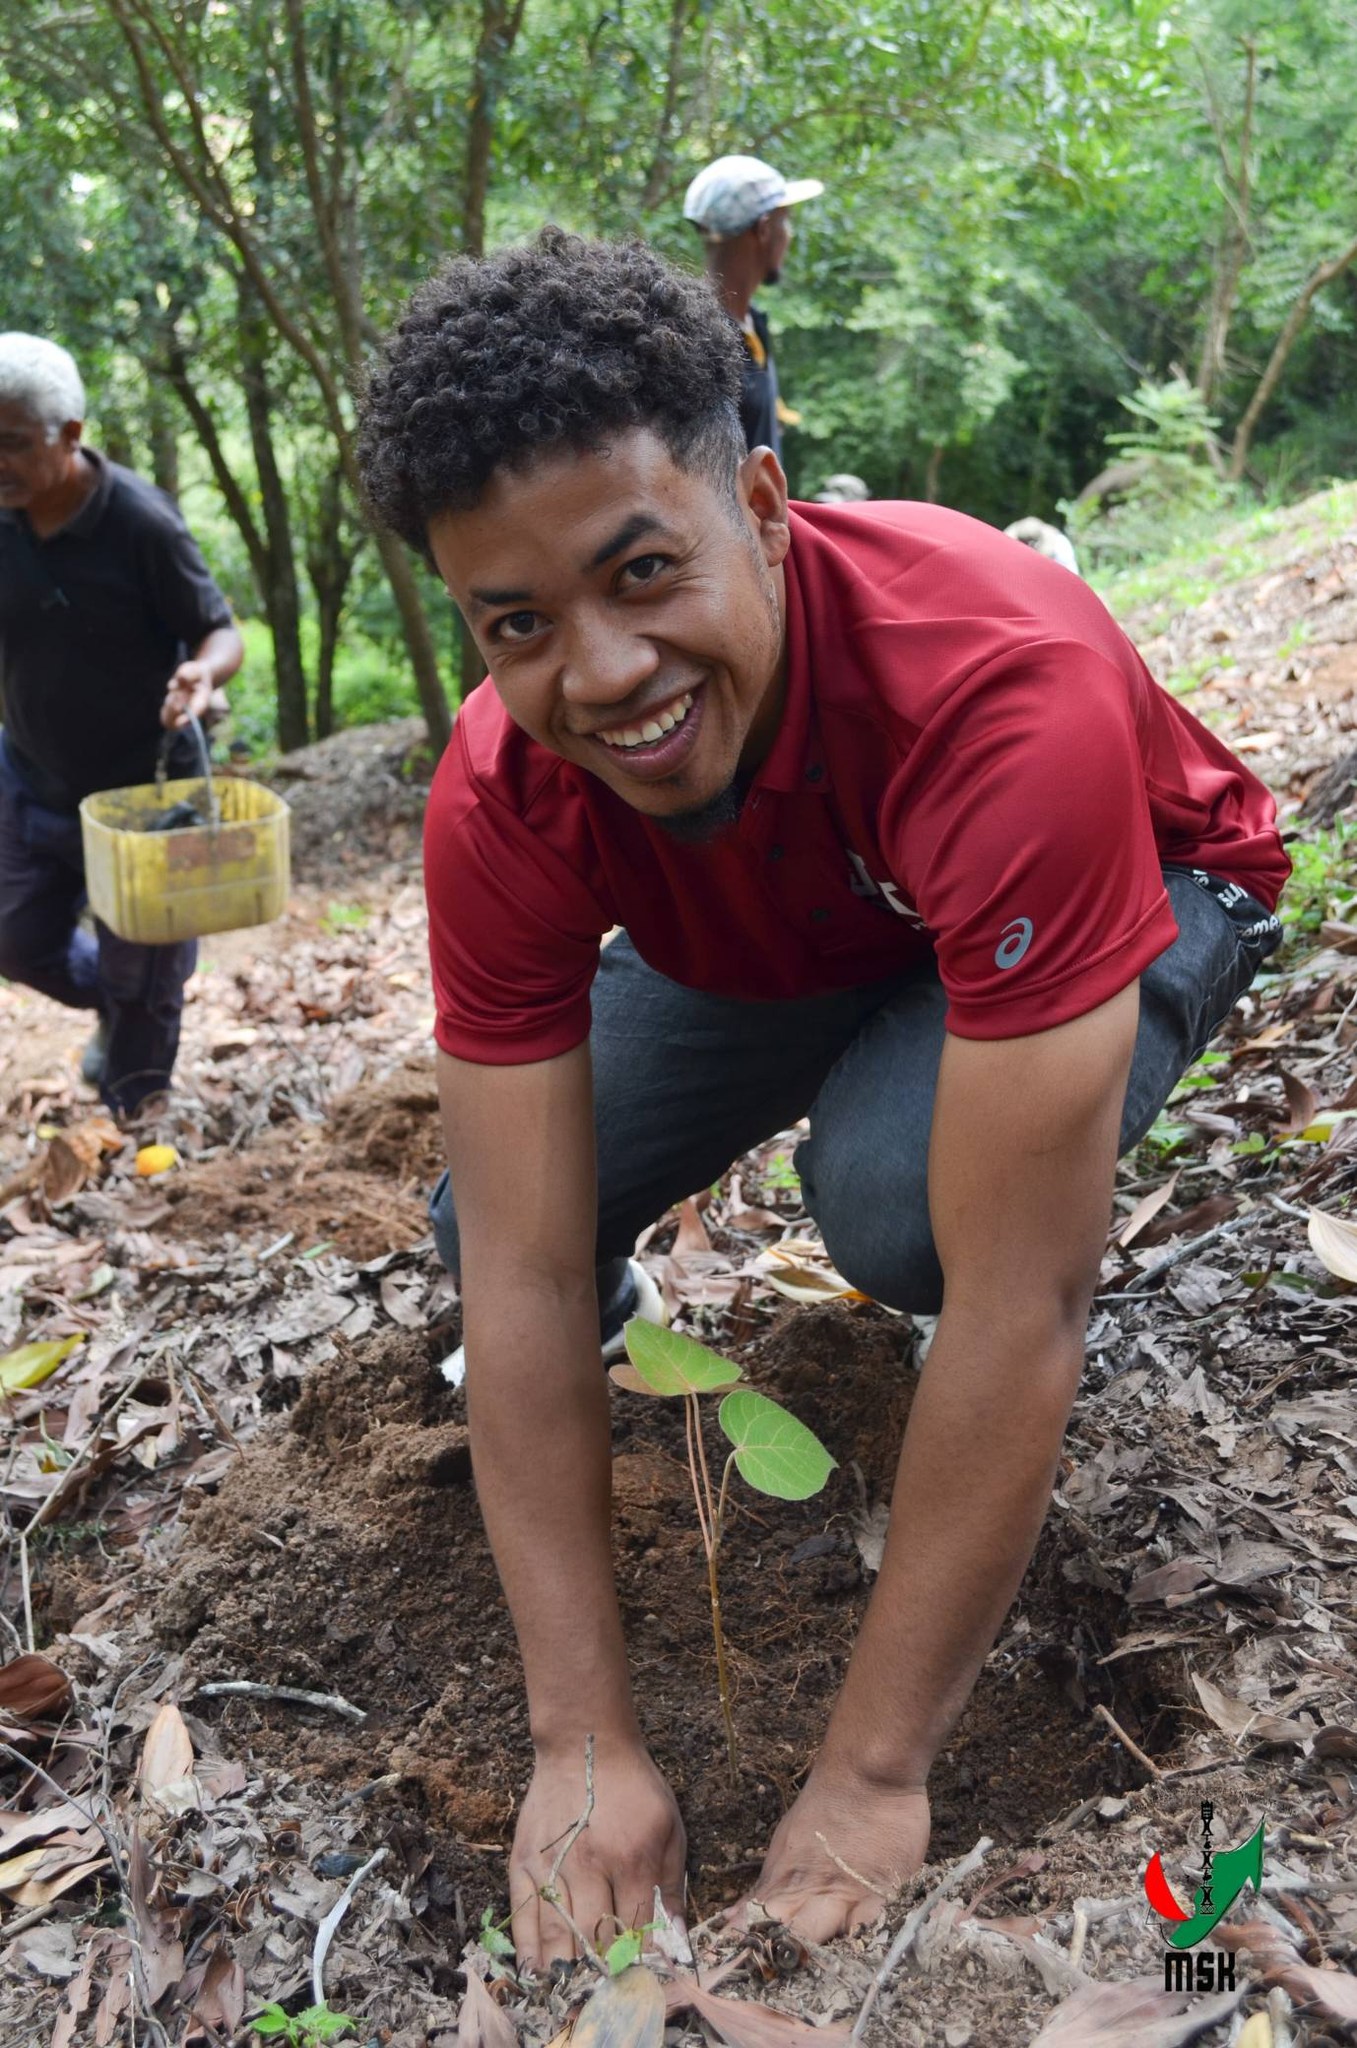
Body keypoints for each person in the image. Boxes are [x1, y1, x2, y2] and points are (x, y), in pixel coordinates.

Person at [356, 231, 1287, 1967]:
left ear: (764, 503)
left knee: (904, 1213)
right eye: (518, 623)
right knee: (480, 1213)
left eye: (644, 569)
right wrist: (578, 1744)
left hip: (1117, 881)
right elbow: (529, 1270)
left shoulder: (995, 683)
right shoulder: (503, 797)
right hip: (788, 923)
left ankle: (962, 1092)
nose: (607, 666)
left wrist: (869, 1775)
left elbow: (1032, 1296)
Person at [0, 333, 243, 1114]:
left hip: (146, 792)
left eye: (9, 443)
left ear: (69, 436)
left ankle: (135, 1125)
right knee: (17, 940)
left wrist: (202, 673)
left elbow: (221, 629)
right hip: (32, 773)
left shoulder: (140, 522)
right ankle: (113, 998)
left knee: (146, 981)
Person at [683, 154, 822, 458]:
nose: (789, 236)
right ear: (763, 229)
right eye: (785, 222)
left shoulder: (753, 326)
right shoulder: (699, 343)